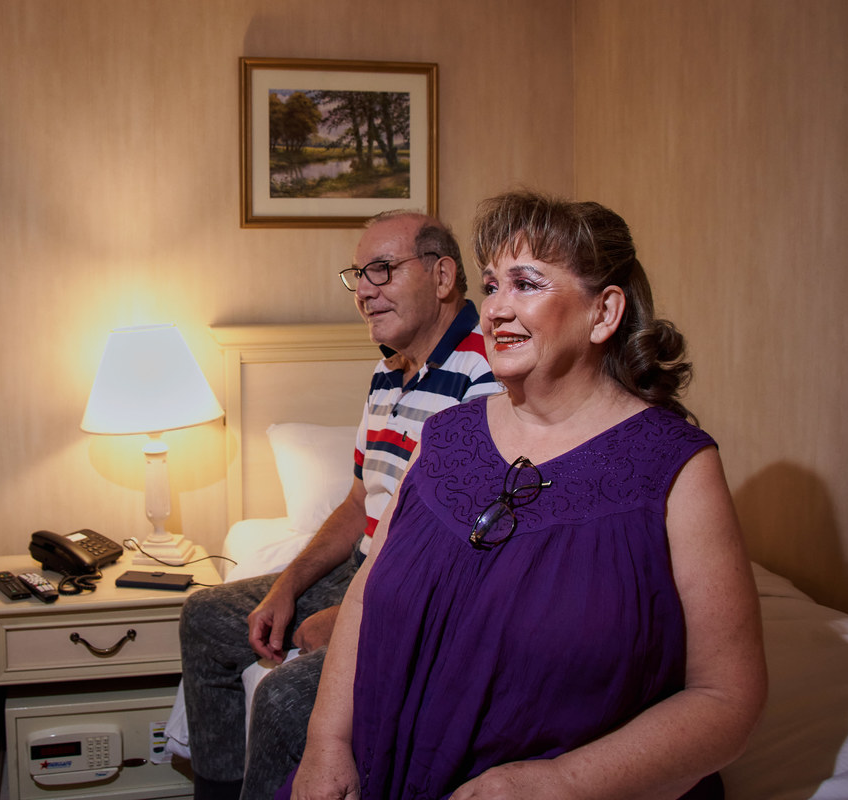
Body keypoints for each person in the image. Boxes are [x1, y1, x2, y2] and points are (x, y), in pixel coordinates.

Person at [285, 190, 768, 800]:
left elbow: (726, 700)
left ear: (604, 313)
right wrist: (326, 745)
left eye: (527, 284)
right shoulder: (446, 436)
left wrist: (556, 783)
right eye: (490, 287)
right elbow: (365, 598)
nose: (494, 311)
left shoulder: (675, 467)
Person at [180, 210, 502, 800]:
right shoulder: (387, 372)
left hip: (412, 588)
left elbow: (453, 546)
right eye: (359, 275)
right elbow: (360, 501)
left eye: (383, 269)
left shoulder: (487, 375)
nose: (366, 291)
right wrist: (287, 585)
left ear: (443, 276)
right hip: (365, 568)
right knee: (205, 615)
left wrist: (355, 615)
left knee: (280, 702)